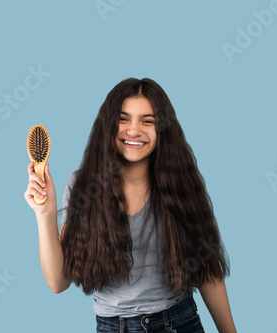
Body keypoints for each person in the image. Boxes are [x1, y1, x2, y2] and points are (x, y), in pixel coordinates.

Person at [24, 78, 237, 332]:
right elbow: (58, 282)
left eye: (148, 121)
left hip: (178, 323)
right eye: (123, 119)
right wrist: (45, 214)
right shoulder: (82, 185)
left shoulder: (182, 182)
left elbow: (207, 271)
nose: (134, 130)